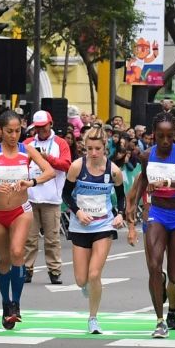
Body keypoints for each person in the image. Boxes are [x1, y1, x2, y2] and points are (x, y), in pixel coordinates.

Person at [0, 110, 55, 330]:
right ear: (0, 130)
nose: (13, 135)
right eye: (9, 131)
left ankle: (16, 305)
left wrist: (32, 182)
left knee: (17, 252)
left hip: (20, 210)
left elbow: (49, 171)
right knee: (3, 261)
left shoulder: (26, 149)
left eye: (17, 130)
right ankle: (5, 303)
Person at [134, 112, 175, 339]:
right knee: (153, 265)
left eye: (169, 136)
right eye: (160, 136)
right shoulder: (146, 155)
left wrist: (170, 182)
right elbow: (142, 179)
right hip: (157, 213)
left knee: (174, 276)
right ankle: (160, 322)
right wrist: (132, 206)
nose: (164, 141)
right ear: (153, 135)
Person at [61, 126, 125, 334]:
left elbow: (121, 197)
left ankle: (93, 318)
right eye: (89, 149)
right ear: (84, 148)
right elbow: (66, 195)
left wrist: (120, 214)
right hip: (80, 226)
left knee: (94, 273)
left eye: (98, 148)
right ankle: (88, 287)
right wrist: (78, 212)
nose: (94, 153)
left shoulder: (113, 171)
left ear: (105, 148)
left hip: (103, 225)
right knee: (82, 279)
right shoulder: (76, 167)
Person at [23, 110, 72, 285]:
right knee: (29, 238)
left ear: (50, 124)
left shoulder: (60, 143)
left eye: (43, 127)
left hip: (51, 198)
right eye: (37, 128)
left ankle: (54, 271)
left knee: (52, 238)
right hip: (30, 197)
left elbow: (67, 165)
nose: (40, 131)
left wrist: (46, 158)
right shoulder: (28, 142)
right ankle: (26, 270)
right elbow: (20, 162)